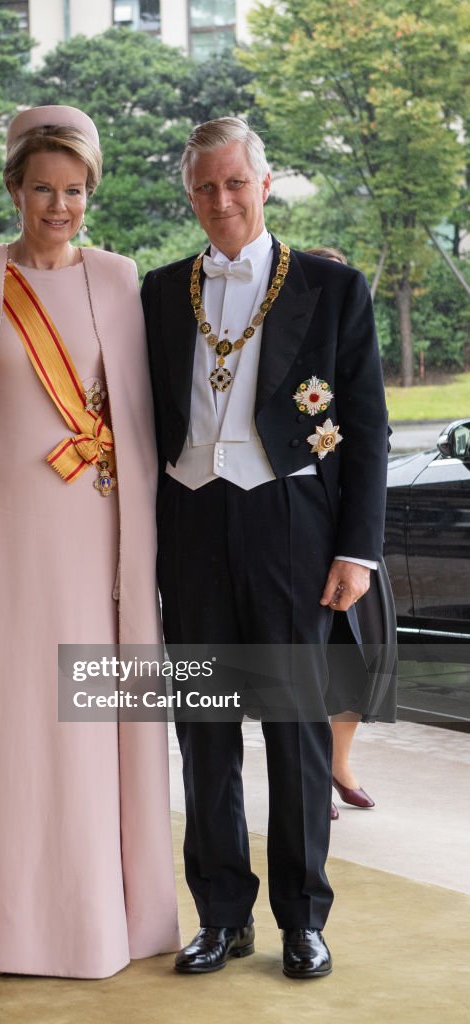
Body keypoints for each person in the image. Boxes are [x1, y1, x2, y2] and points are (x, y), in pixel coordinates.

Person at [0, 105, 179, 979]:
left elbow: (136, 417)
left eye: (76, 191)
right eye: (44, 189)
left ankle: (92, 920)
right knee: (3, 724)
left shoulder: (121, 280)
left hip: (94, 544)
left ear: (92, 191)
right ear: (14, 188)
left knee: (85, 721)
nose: (60, 206)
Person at [142, 117, 394, 980]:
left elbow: (366, 427)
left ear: (265, 181)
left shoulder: (331, 288)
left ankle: (303, 918)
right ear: (189, 194)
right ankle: (221, 914)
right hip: (190, 527)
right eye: (205, 187)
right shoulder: (157, 291)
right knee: (203, 732)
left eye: (235, 184)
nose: (221, 201)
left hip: (291, 526)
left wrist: (357, 550)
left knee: (295, 734)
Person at [305, 246, 396, 820]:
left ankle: (339, 764)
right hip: (297, 529)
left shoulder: (356, 352)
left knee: (359, 660)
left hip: (354, 535)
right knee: (302, 660)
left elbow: (376, 434)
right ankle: (310, 768)